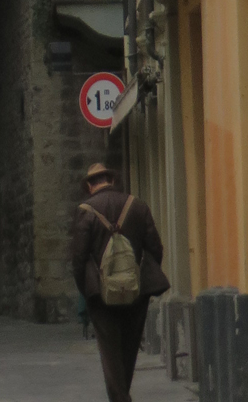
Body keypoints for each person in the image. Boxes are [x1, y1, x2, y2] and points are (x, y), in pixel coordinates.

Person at [70, 160, 169, 402]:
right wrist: (140, 276)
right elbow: (155, 248)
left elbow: (78, 257)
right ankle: (122, 393)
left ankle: (119, 397)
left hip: (101, 294)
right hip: (135, 291)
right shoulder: (137, 206)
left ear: (90, 185)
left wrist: (87, 289)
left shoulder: (86, 210)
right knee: (129, 346)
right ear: (112, 181)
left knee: (109, 350)